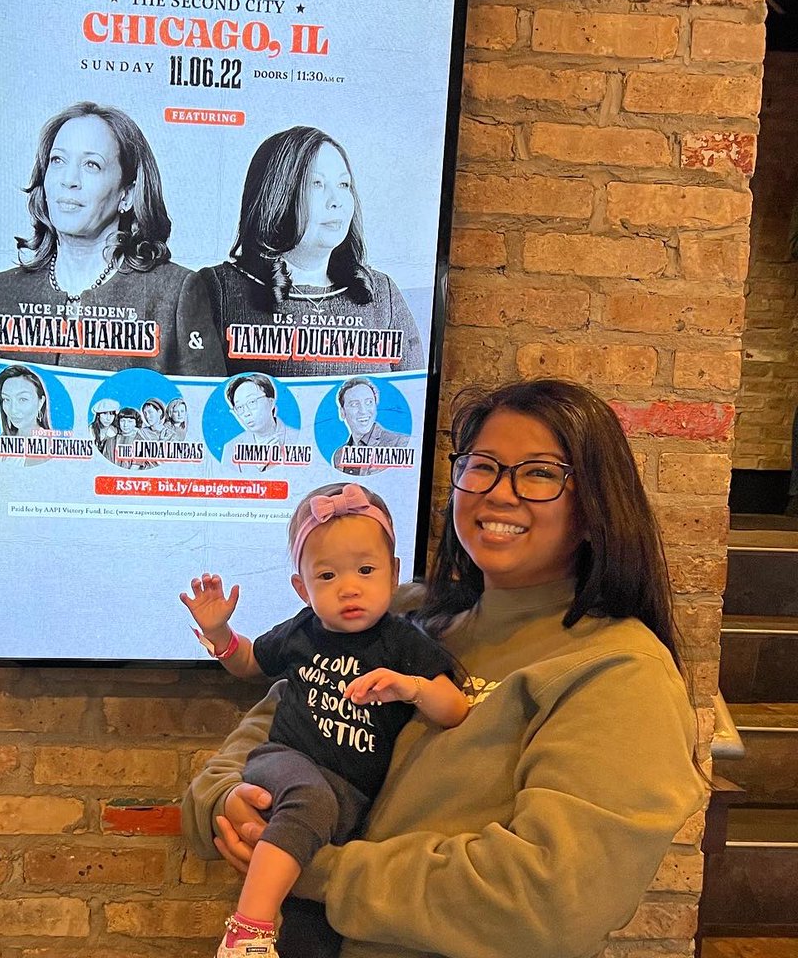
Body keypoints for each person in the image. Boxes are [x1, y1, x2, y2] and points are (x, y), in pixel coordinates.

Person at [184, 378, 705, 958]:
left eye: (538, 473)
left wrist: (306, 863)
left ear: (594, 506)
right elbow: (264, 732)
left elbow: (547, 902)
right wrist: (226, 802)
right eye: (483, 466)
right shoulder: (404, 615)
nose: (499, 494)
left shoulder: (620, 674)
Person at [181, 483, 467, 958]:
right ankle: (247, 930)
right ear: (302, 587)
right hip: (283, 762)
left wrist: (409, 687)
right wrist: (220, 633)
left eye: (367, 570)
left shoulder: (402, 643)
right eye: (328, 575)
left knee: (314, 920)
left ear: (394, 573)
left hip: (348, 794)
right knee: (308, 799)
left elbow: (455, 707)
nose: (349, 587)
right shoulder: (302, 629)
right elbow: (251, 662)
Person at [0, 102, 224, 375]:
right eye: (57, 160)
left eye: (91, 165)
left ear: (127, 194)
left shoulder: (176, 293)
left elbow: (208, 413)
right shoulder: (0, 292)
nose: (69, 180)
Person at [199, 127, 424, 378]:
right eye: (317, 184)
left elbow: (412, 401)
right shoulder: (217, 289)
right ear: (277, 195)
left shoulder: (382, 293)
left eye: (343, 184)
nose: (336, 200)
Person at [331, 378, 410, 477]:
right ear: (342, 413)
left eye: (369, 402)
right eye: (354, 404)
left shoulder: (401, 443)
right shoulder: (338, 455)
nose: (363, 411)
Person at [226, 373, 294, 474]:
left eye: (252, 402)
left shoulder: (299, 437)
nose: (246, 413)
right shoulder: (231, 448)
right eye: (240, 407)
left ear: (271, 402)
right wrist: (258, 465)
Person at [90, 397, 119, 462]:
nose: (108, 418)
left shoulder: (115, 432)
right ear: (98, 415)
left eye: (111, 414)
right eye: (105, 413)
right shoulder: (90, 431)